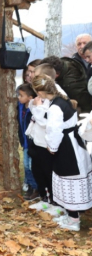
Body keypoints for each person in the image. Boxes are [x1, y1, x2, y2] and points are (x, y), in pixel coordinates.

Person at [31, 74, 92, 231]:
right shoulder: (61, 97)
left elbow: (53, 130)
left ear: (41, 92)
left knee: (68, 179)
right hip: (73, 143)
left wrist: (52, 147)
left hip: (67, 147)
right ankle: (72, 215)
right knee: (71, 179)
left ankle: (73, 221)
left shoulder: (55, 107)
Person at [16, 84, 39, 201]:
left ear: (30, 97)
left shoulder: (34, 109)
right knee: (26, 165)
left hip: (33, 143)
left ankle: (36, 189)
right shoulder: (20, 107)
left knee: (31, 165)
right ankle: (30, 186)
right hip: (25, 143)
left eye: (21, 95)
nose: (19, 97)